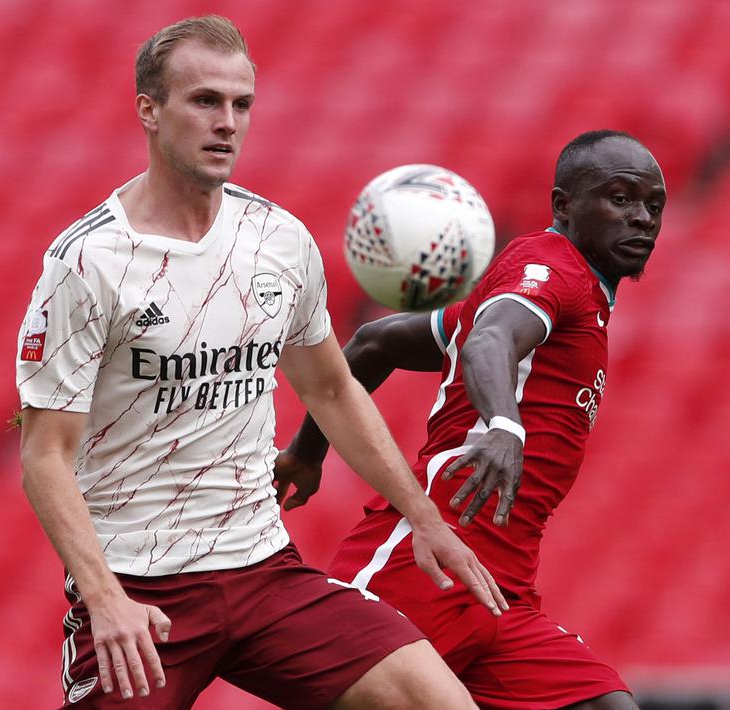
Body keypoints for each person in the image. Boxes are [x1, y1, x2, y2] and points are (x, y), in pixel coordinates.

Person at [15, 15, 506, 709]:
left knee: (441, 704)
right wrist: (105, 598)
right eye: (205, 101)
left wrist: (423, 518)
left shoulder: (277, 239)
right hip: (141, 594)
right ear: (149, 112)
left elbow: (332, 390)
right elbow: (44, 454)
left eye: (241, 104)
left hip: (264, 572)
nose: (227, 123)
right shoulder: (87, 262)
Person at [276, 129, 665, 710]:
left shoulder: (569, 296)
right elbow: (491, 338)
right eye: (620, 198)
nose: (642, 218)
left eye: (653, 205)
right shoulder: (547, 266)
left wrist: (307, 453)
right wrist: (503, 425)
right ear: (563, 206)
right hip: (425, 559)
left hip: (500, 586)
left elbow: (376, 344)